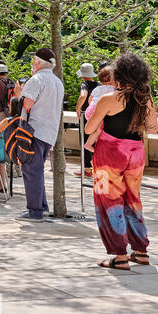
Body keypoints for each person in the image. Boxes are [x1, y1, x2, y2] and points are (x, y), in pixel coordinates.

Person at [84, 52, 158, 267]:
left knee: (109, 201)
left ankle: (119, 255)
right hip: (136, 153)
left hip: (109, 154)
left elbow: (90, 128)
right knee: (133, 199)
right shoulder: (146, 98)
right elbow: (152, 128)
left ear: (119, 76)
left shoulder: (109, 99)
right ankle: (141, 250)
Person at [15, 47, 65, 222]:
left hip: (34, 131)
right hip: (49, 132)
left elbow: (26, 105)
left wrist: (18, 95)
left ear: (37, 63)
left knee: (30, 170)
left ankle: (35, 211)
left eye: (33, 61)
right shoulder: (57, 81)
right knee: (37, 170)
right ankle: (41, 207)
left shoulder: (36, 79)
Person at [75, 63, 101, 176]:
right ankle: (97, 166)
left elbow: (83, 96)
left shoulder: (84, 84)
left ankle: (87, 169)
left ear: (82, 75)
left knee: (84, 141)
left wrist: (78, 108)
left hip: (86, 115)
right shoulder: (99, 85)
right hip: (98, 115)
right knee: (96, 141)